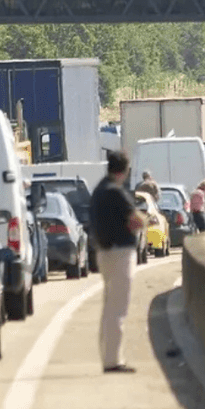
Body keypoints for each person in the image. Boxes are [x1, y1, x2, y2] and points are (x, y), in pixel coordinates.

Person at [89, 151, 145, 374]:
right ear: (124, 170)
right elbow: (136, 220)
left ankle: (106, 355)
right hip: (121, 253)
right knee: (118, 308)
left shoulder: (98, 191)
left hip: (103, 252)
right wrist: (144, 219)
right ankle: (113, 360)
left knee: (108, 306)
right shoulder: (117, 193)